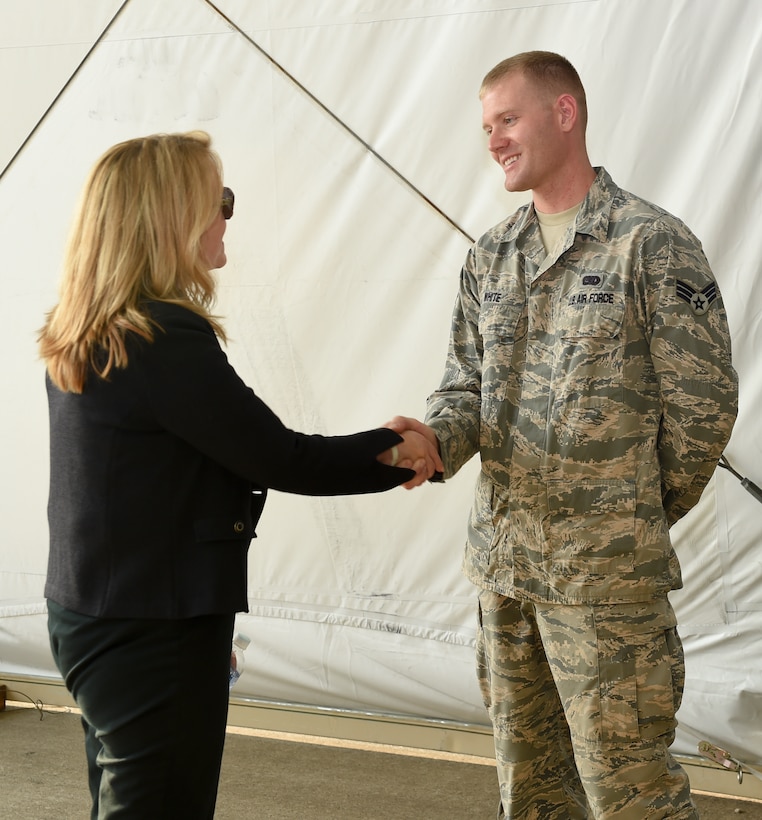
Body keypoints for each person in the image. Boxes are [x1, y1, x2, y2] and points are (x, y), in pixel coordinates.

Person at [38, 130, 442, 819]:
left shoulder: (89, 329)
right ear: (171, 216)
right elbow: (277, 456)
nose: (228, 215)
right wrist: (398, 448)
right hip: (150, 627)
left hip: (94, 611)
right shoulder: (161, 337)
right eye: (218, 200)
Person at [389, 52, 738, 819]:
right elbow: (466, 391)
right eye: (486, 127)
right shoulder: (491, 255)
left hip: (606, 588)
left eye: (506, 120)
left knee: (632, 796)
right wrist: (434, 441)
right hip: (505, 574)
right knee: (535, 793)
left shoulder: (651, 243)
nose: (493, 140)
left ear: (564, 113)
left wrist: (630, 513)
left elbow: (704, 408)